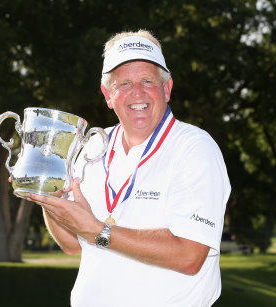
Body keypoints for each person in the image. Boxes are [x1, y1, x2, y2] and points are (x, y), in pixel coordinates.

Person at [27, 30, 231, 306]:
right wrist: (47, 195)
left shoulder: (194, 148)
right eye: (123, 84)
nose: (137, 92)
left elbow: (189, 255)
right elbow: (74, 244)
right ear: (108, 95)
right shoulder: (92, 147)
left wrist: (99, 231)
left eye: (147, 80)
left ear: (167, 88)